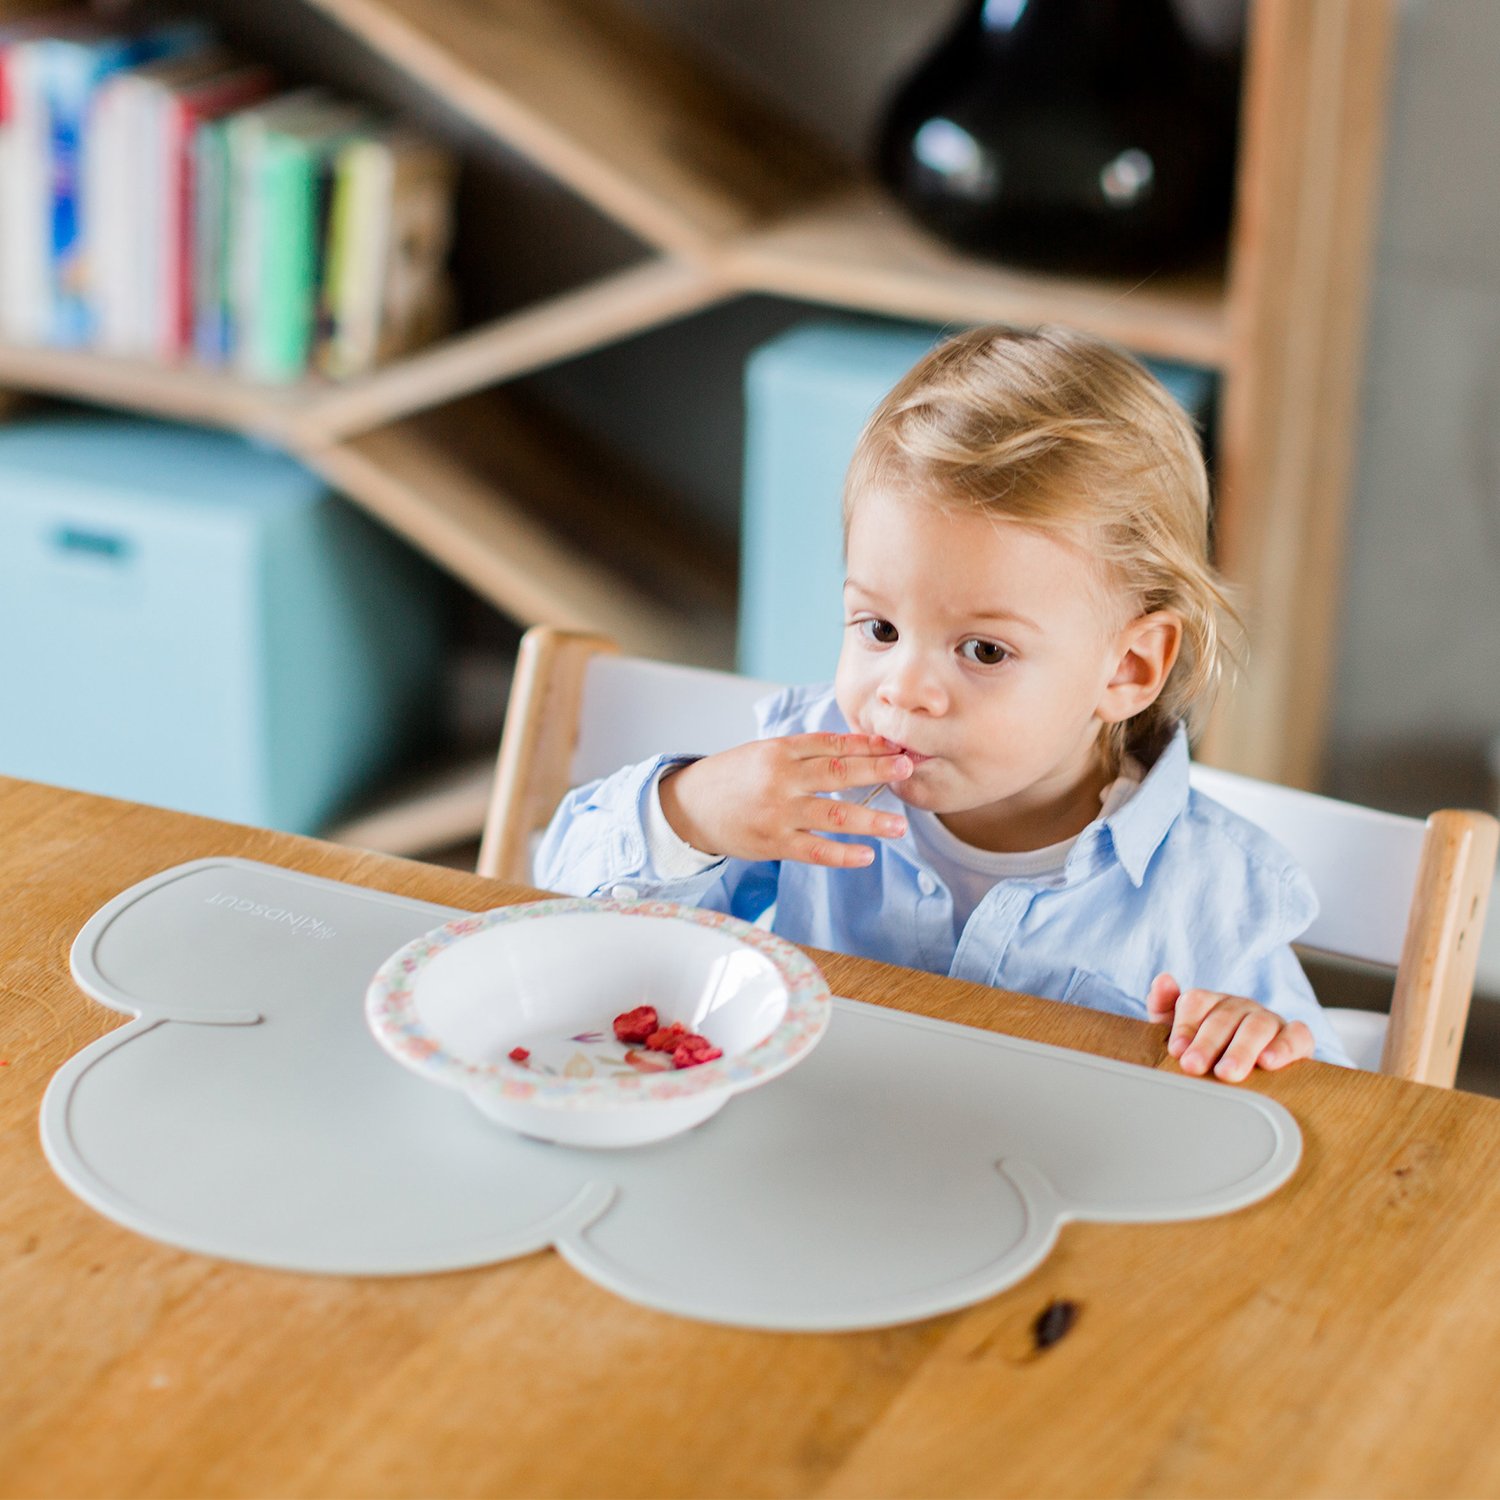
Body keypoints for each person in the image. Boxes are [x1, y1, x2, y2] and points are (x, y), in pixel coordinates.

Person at [537, 324, 1353, 1079]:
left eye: (985, 650)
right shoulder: (799, 786)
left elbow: (1329, 1111)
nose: (903, 689)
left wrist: (1253, 1042)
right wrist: (686, 815)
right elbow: (555, 915)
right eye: (879, 627)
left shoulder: (1214, 890)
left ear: (1129, 668)